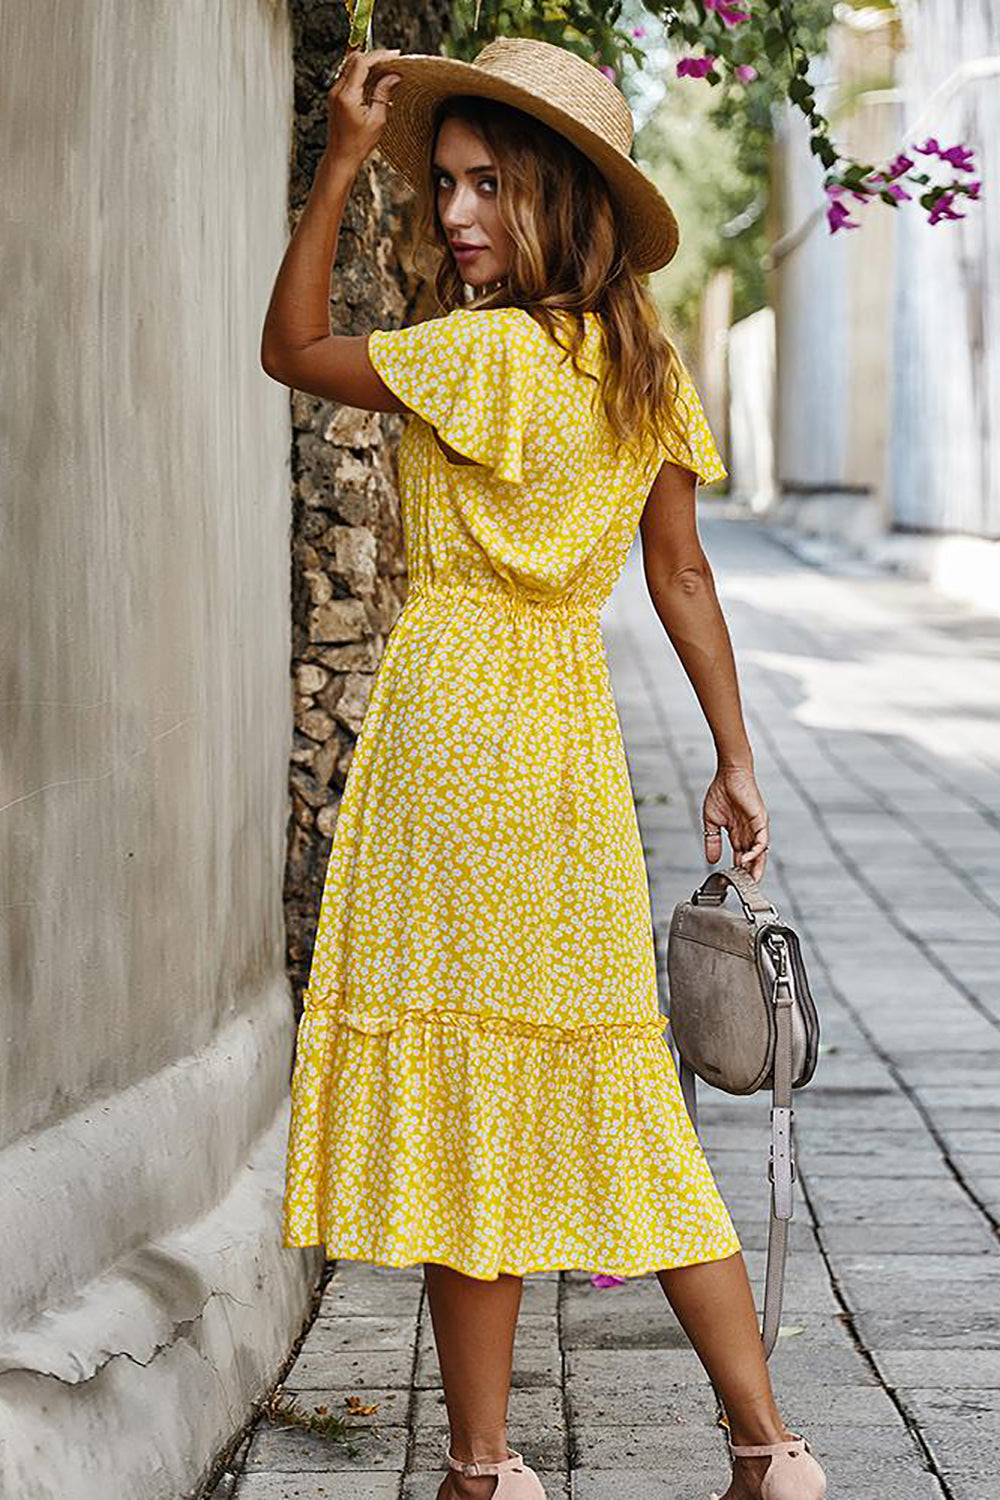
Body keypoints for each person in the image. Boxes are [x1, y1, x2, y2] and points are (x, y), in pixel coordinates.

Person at [259, 35, 827, 1500]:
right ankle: (770, 1452)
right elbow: (683, 576)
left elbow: (290, 348)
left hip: (455, 732)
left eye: (486, 187)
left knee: (466, 1090)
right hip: (568, 743)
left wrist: (333, 170)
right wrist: (733, 758)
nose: (453, 215)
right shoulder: (641, 363)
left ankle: (484, 1467)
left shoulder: (483, 353)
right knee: (611, 1088)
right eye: (440, 185)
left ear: (555, 196)